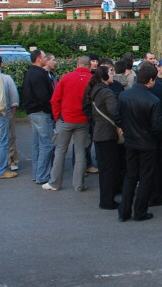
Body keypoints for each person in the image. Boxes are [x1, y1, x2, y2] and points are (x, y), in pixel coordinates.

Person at [118, 62, 162, 222]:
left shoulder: (124, 95)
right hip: (147, 144)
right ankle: (140, 212)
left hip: (130, 142)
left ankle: (124, 211)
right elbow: (157, 127)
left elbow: (119, 117)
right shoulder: (153, 100)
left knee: (130, 176)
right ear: (151, 80)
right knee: (145, 178)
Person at [46, 55, 92, 191]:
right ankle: (79, 184)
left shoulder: (66, 77)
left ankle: (55, 182)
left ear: (77, 64)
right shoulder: (92, 80)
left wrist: (57, 117)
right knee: (80, 152)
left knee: (60, 151)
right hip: (83, 120)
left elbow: (55, 99)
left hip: (65, 118)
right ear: (89, 66)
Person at [87, 66, 122, 210]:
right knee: (109, 169)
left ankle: (105, 198)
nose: (113, 76)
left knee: (104, 168)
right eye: (111, 74)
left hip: (99, 132)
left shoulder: (95, 89)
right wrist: (121, 124)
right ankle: (108, 201)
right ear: (104, 77)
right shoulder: (106, 92)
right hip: (108, 133)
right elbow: (114, 111)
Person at [22, 50, 56, 186]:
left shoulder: (29, 72)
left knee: (37, 144)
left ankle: (37, 173)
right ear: (38, 59)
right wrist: (51, 109)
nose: (45, 59)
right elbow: (43, 96)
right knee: (47, 144)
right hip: (41, 112)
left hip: (32, 112)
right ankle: (42, 175)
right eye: (43, 57)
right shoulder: (39, 74)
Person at [2, 67, 21, 171]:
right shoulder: (7, 78)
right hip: (6, 112)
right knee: (10, 138)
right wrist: (13, 112)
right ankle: (12, 161)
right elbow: (14, 97)